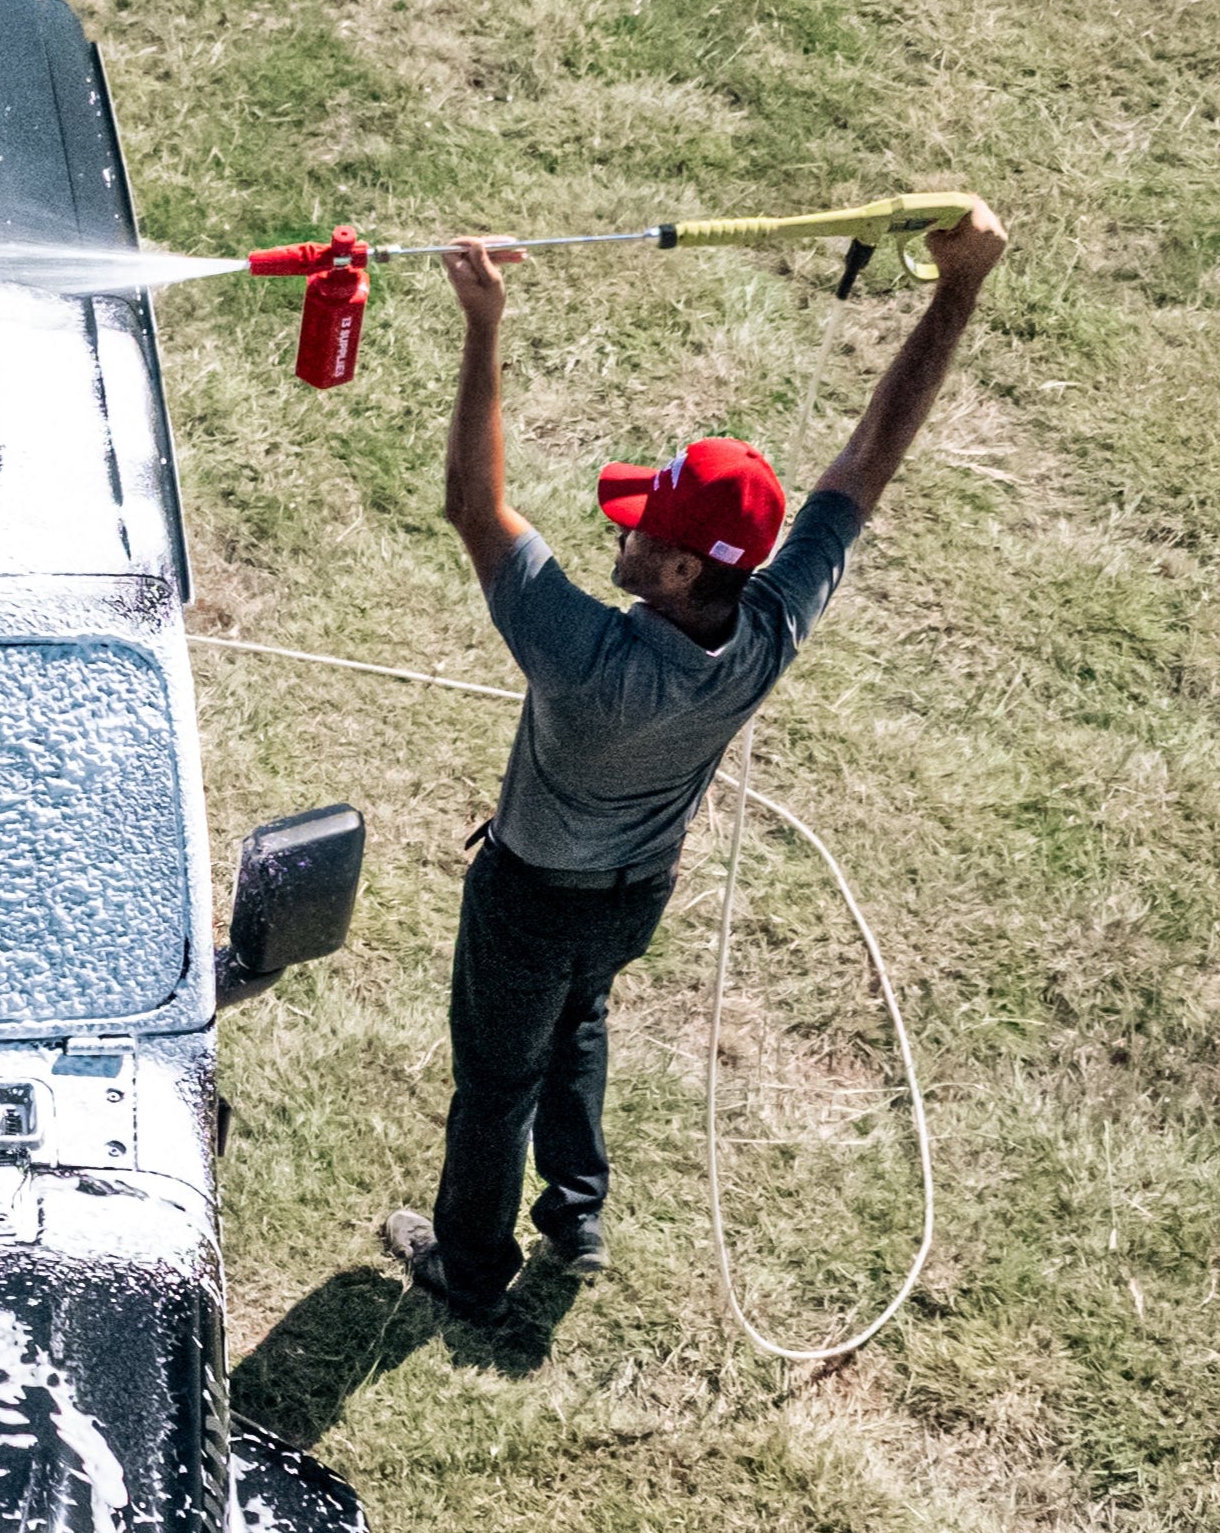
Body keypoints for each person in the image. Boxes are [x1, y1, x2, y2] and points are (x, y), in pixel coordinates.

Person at [383, 204, 1008, 1325]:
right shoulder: (766, 623)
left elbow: (470, 508)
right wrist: (956, 287)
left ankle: (469, 1267)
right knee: (578, 1019)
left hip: (528, 898)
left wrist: (483, 324)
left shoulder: (584, 658)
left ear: (672, 571)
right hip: (636, 894)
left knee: (493, 1084)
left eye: (634, 532)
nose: (614, 534)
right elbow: (869, 461)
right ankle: (573, 1213)